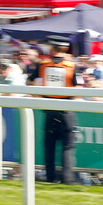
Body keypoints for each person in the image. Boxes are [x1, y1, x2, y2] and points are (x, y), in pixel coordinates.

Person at [29, 35, 78, 184]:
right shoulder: (72, 66)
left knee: (49, 146)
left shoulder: (43, 64)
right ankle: (67, 179)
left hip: (49, 109)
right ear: (65, 49)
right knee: (67, 148)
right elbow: (78, 88)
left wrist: (38, 95)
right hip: (66, 110)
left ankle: (50, 178)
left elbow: (30, 82)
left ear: (52, 48)